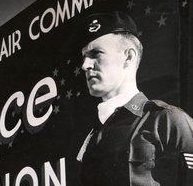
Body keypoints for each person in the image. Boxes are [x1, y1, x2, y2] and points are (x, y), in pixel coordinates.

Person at [76, 11, 193, 186]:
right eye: (84, 56)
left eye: (96, 53)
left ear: (129, 57)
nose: (85, 65)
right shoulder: (91, 138)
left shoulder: (168, 121)